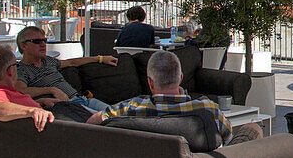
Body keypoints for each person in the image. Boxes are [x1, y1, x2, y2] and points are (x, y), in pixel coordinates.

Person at [87, 50, 240, 143]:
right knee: (252, 128)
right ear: (180, 78)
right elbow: (228, 137)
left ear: (150, 83)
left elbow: (94, 120)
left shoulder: (132, 107)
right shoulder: (207, 108)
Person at [14, 26, 115, 112]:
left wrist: (100, 59)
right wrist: (52, 90)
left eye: (44, 40)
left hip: (84, 99)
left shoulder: (48, 61)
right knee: (109, 119)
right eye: (37, 41)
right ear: (23, 46)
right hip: (70, 107)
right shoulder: (22, 70)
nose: (43, 44)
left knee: (120, 113)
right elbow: (20, 91)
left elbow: (71, 62)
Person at [0, 45, 55, 132]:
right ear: (10, 70)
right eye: (16, 65)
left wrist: (39, 103)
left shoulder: (5, 94)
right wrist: (32, 111)